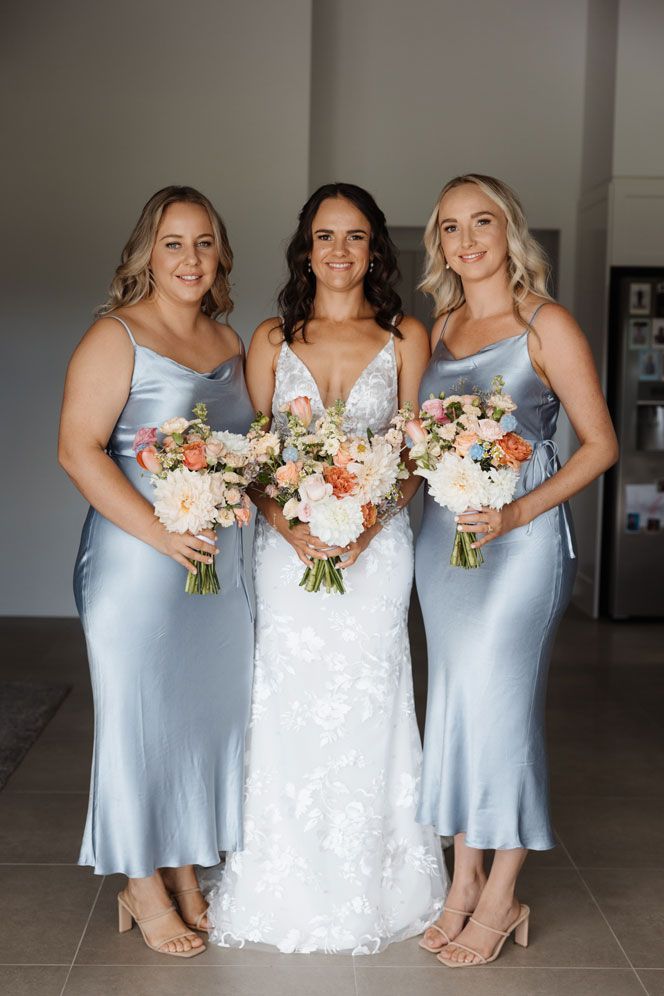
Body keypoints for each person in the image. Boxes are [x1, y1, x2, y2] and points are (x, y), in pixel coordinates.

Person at [205, 182, 447, 954]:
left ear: (375, 247)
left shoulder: (408, 333)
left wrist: (371, 522)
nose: (338, 251)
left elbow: (412, 452)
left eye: (353, 237)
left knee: (375, 698)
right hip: (289, 552)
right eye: (323, 237)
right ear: (305, 249)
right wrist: (290, 525)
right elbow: (249, 457)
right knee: (285, 700)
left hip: (379, 554)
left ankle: (384, 882)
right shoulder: (272, 338)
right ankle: (284, 877)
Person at [415, 174, 618, 968]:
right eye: (452, 227)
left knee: (501, 710)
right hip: (446, 540)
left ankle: (504, 894)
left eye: (483, 222)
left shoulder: (547, 323)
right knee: (458, 706)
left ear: (510, 232)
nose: (467, 240)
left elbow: (599, 445)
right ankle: (462, 882)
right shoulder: (444, 323)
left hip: (521, 539)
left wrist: (516, 515)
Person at [58, 186, 254, 958]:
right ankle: (140, 883)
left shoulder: (230, 339)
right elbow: (77, 450)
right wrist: (158, 533)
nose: (190, 259)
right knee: (139, 719)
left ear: (220, 255)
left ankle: (180, 871)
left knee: (196, 720)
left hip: (216, 568)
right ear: (147, 251)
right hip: (137, 561)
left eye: (204, 243)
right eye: (174, 243)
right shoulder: (115, 337)